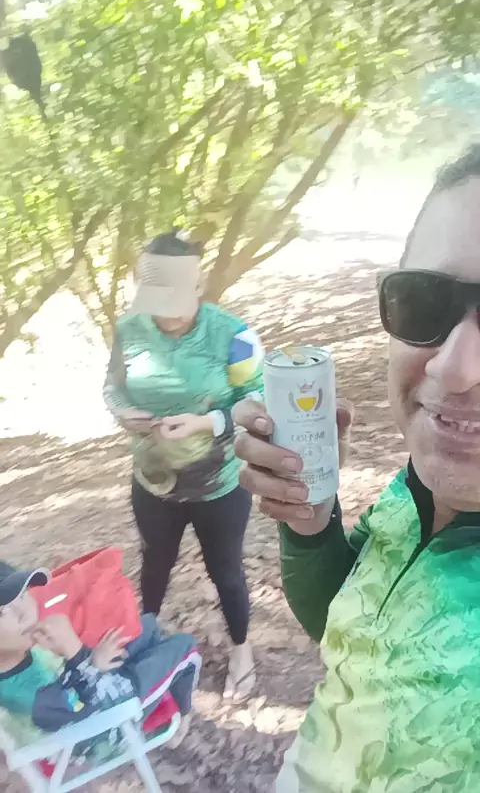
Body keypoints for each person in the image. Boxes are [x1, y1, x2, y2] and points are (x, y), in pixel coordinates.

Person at [234, 144, 480, 792]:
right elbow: (348, 629)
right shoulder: (416, 487)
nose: (454, 368)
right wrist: (311, 526)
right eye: (424, 303)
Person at [103, 230, 263, 700]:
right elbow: (112, 385)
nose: (167, 312)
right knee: (154, 564)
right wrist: (121, 411)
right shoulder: (129, 330)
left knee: (225, 570)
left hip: (220, 484)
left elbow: (257, 399)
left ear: (198, 286)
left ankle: (242, 650)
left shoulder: (233, 335)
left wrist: (207, 423)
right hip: (153, 482)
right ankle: (142, 643)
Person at [0, 560, 198, 761]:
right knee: (185, 646)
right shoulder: (28, 697)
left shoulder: (21, 650)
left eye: (22, 594)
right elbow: (93, 716)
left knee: (147, 626)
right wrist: (76, 651)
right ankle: (181, 719)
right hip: (106, 730)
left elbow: (66, 684)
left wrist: (92, 663)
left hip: (90, 690)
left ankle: (158, 702)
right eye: (1, 612)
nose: (23, 612)